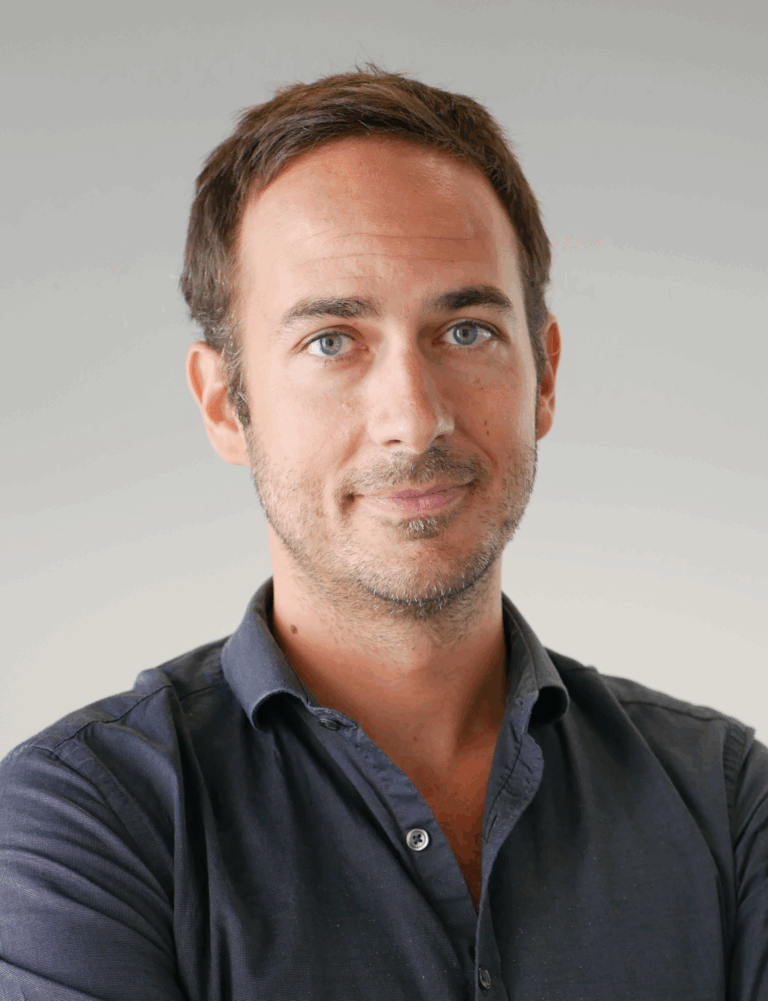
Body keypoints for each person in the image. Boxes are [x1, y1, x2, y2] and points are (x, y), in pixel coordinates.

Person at [0, 63, 765, 1001]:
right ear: (225, 403)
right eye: (331, 341)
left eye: (467, 330)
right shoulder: (87, 819)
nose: (415, 418)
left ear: (546, 375)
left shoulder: (724, 798)